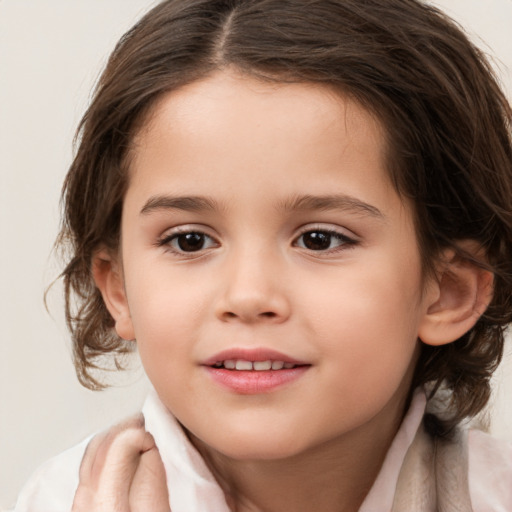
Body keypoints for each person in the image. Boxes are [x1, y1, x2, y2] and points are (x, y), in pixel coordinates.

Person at [13, 0, 512, 510]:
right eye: (189, 240)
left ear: (448, 291)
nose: (248, 296)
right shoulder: (60, 499)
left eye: (320, 239)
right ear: (118, 288)